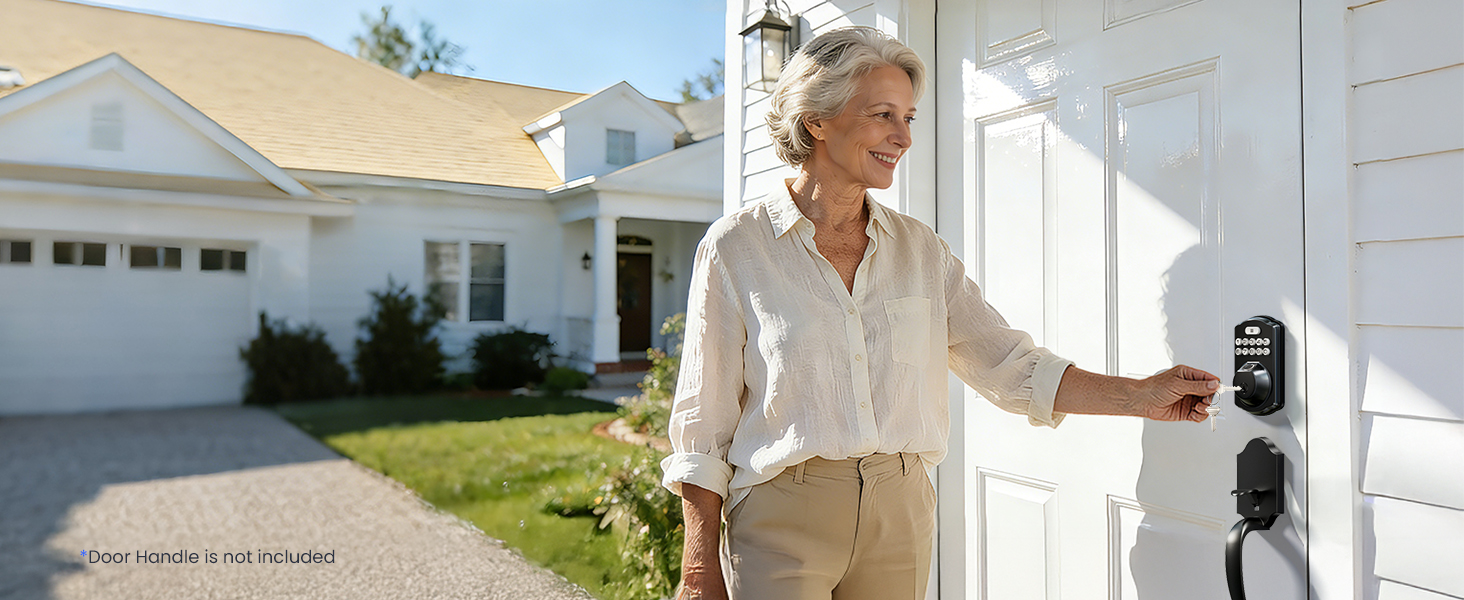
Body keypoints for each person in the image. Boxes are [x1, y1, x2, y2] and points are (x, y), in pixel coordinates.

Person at [660, 26, 1222, 600]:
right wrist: (699, 569)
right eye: (882, 114)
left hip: (899, 515)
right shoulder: (737, 246)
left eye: (908, 118)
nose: (901, 137)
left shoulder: (919, 250)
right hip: (780, 515)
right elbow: (704, 423)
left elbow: (1010, 366)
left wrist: (1139, 395)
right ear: (817, 120)